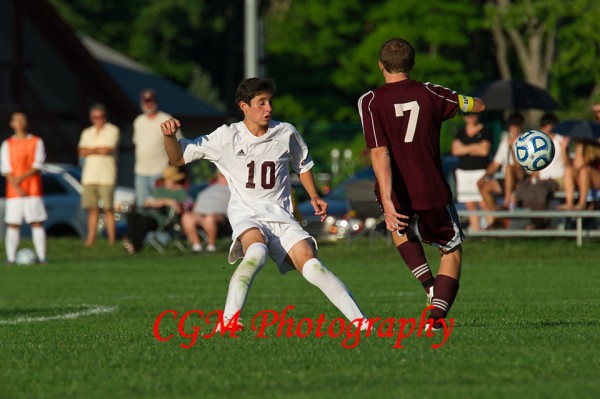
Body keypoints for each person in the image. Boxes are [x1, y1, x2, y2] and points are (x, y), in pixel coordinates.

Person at [161, 77, 368, 332]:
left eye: (269, 102)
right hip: (247, 214)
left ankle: (362, 324)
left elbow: (303, 165)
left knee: (312, 264)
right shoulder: (226, 137)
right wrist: (170, 137)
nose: (268, 108)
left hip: (281, 216)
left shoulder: (286, 132)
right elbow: (178, 157)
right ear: (244, 106)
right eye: (261, 103)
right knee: (256, 253)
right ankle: (228, 323)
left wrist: (314, 195)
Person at [357, 38, 485, 331]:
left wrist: (388, 201)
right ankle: (435, 319)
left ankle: (428, 285)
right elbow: (477, 105)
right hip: (431, 190)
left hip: (396, 191)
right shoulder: (432, 93)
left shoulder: (370, 101)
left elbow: (379, 151)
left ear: (381, 66)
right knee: (451, 250)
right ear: (412, 65)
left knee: (398, 228)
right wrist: (467, 102)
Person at [1, 111, 48, 264]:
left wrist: (21, 180)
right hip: (14, 192)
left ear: (26, 122)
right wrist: (16, 185)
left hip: (33, 190)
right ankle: (11, 258)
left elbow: (37, 165)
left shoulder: (36, 141)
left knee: (36, 222)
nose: (19, 123)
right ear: (11, 123)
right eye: (16, 120)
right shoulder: (7, 144)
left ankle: (42, 258)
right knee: (13, 223)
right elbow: (5, 168)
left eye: (22, 120)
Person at [515, 114, 569, 228]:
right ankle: (535, 221)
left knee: (539, 190)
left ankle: (539, 223)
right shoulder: (539, 142)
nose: (548, 129)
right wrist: (532, 177)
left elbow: (567, 165)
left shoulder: (560, 141)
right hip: (542, 179)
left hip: (556, 178)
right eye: (545, 126)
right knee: (526, 188)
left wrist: (564, 149)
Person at [78, 104, 120, 246]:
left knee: (108, 209)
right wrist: (97, 149)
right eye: (95, 117)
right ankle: (90, 239)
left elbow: (107, 150)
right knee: (92, 210)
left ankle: (111, 240)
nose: (98, 119)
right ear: (91, 118)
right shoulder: (86, 132)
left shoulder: (112, 130)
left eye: (101, 116)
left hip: (106, 176)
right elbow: (81, 152)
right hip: (89, 177)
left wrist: (90, 150)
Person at [133, 89, 182, 208]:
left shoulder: (165, 118)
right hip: (140, 172)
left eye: (150, 100)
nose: (148, 103)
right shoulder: (138, 121)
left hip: (160, 171)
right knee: (142, 207)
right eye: (145, 101)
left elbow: (179, 142)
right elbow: (137, 143)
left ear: (155, 101)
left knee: (160, 205)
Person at [123, 166, 189, 254]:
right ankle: (133, 243)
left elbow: (180, 208)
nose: (165, 182)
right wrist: (152, 203)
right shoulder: (160, 190)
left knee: (145, 221)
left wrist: (164, 202)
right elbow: (150, 201)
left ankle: (135, 246)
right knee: (132, 216)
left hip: (164, 218)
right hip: (150, 213)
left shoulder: (181, 192)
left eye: (168, 180)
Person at [477, 113, 527, 228]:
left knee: (509, 168)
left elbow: (519, 165)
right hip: (507, 179)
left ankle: (506, 202)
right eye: (512, 126)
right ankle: (496, 217)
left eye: (516, 126)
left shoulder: (525, 141)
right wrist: (484, 176)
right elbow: (496, 163)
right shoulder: (505, 141)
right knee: (483, 186)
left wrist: (512, 148)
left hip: (520, 178)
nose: (514, 129)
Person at [451, 113, 492, 231]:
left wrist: (465, 148)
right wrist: (476, 147)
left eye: (473, 114)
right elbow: (455, 150)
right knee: (470, 204)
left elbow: (484, 151)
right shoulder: (460, 132)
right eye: (468, 115)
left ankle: (490, 228)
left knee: (483, 203)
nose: (471, 117)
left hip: (480, 171)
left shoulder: (485, 131)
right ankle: (476, 230)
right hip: (464, 172)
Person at [181, 170, 231, 253]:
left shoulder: (233, 189)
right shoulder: (210, 188)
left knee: (210, 218)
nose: (223, 178)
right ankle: (196, 246)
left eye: (225, 175)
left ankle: (211, 246)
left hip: (220, 216)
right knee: (186, 217)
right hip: (200, 213)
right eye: (221, 175)